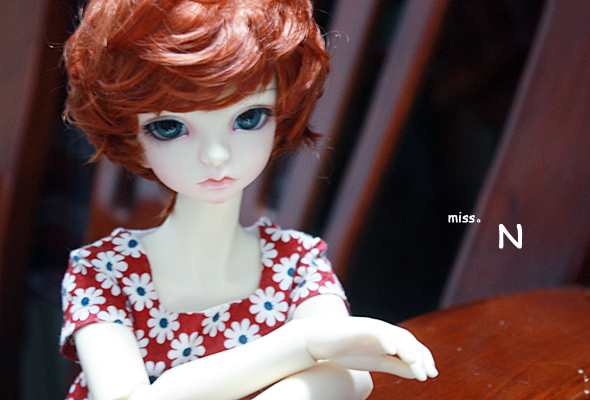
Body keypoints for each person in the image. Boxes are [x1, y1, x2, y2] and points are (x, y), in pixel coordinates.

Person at [59, 0, 438, 399]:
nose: (216, 154)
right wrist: (304, 343)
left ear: (282, 114)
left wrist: (321, 350)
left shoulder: (296, 263)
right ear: (130, 135)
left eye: (249, 118)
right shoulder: (101, 274)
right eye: (169, 127)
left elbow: (351, 377)